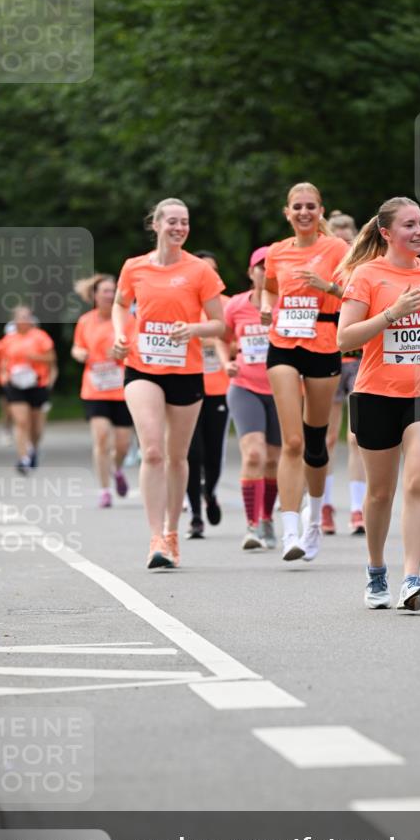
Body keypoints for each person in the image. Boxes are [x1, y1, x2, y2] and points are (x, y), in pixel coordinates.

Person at [337, 196, 420, 611]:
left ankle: (412, 578)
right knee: (379, 493)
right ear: (387, 233)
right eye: (410, 225)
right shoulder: (366, 276)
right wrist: (392, 313)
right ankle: (377, 570)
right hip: (376, 393)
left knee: (417, 482)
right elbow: (344, 338)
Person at [111, 197, 225, 570]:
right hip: (142, 367)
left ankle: (173, 531)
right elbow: (119, 304)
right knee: (154, 451)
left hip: (185, 370)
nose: (179, 228)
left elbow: (219, 324)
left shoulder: (199, 271)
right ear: (156, 224)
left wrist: (193, 329)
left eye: (185, 222)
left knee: (177, 457)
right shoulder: (134, 267)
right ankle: (155, 537)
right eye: (172, 221)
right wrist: (119, 333)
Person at [261, 182, 348, 561]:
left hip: (324, 343)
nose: (304, 212)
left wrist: (325, 285)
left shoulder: (337, 249)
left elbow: (355, 293)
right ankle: (290, 530)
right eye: (297, 206)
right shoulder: (277, 252)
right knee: (291, 441)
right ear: (287, 212)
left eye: (310, 206)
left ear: (320, 210)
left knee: (315, 443)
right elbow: (267, 290)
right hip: (283, 343)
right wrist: (267, 307)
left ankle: (314, 517)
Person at [224, 246, 281, 549]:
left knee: (273, 460)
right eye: (260, 266)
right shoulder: (235, 305)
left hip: (281, 389)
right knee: (254, 454)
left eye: (271, 267)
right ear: (251, 272)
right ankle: (251, 525)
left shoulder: (288, 305)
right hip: (245, 385)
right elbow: (221, 337)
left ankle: (267, 517)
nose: (265, 272)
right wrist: (226, 361)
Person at [321, 210, 367, 535]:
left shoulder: (366, 269)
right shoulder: (323, 268)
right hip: (329, 357)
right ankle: (323, 505)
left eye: (347, 234)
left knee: (356, 438)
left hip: (362, 359)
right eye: (336, 235)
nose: (343, 240)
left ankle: (356, 509)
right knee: (325, 438)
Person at [72, 274, 134, 508]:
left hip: (121, 388)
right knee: (101, 438)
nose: (109, 295)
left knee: (122, 445)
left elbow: (136, 346)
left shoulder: (127, 319)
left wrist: (122, 352)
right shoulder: (85, 321)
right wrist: (79, 354)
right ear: (94, 295)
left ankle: (116, 469)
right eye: (104, 291)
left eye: (112, 291)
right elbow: (78, 347)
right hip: (95, 388)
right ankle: (104, 490)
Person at [185, 251, 231, 539]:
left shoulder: (227, 305)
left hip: (219, 389)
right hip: (188, 386)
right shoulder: (183, 304)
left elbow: (243, 341)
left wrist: (227, 350)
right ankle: (195, 516)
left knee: (213, 455)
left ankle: (210, 494)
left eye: (213, 270)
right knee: (192, 454)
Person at [0, 306, 56, 473]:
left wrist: (35, 357)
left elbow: (51, 358)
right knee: (21, 422)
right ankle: (23, 458)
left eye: (27, 317)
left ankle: (32, 448)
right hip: (15, 385)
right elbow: (4, 361)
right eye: (20, 317)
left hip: (37, 384)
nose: (24, 320)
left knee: (36, 427)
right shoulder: (9, 339)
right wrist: (4, 376)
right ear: (14, 320)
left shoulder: (40, 337)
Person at [0, 321, 17, 444]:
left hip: (18, 380)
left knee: (17, 408)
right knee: (7, 408)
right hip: (4, 381)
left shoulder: (20, 343)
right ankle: (6, 431)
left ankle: (15, 430)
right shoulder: (2, 344)